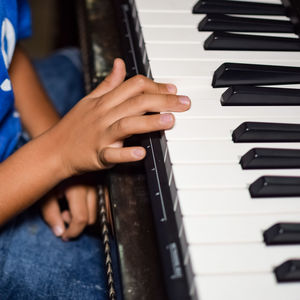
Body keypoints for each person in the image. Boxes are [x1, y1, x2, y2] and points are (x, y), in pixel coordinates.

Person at [0, 0, 191, 298]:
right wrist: (58, 155)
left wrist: (53, 132)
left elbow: (8, 49)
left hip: (14, 110)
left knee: (86, 66)